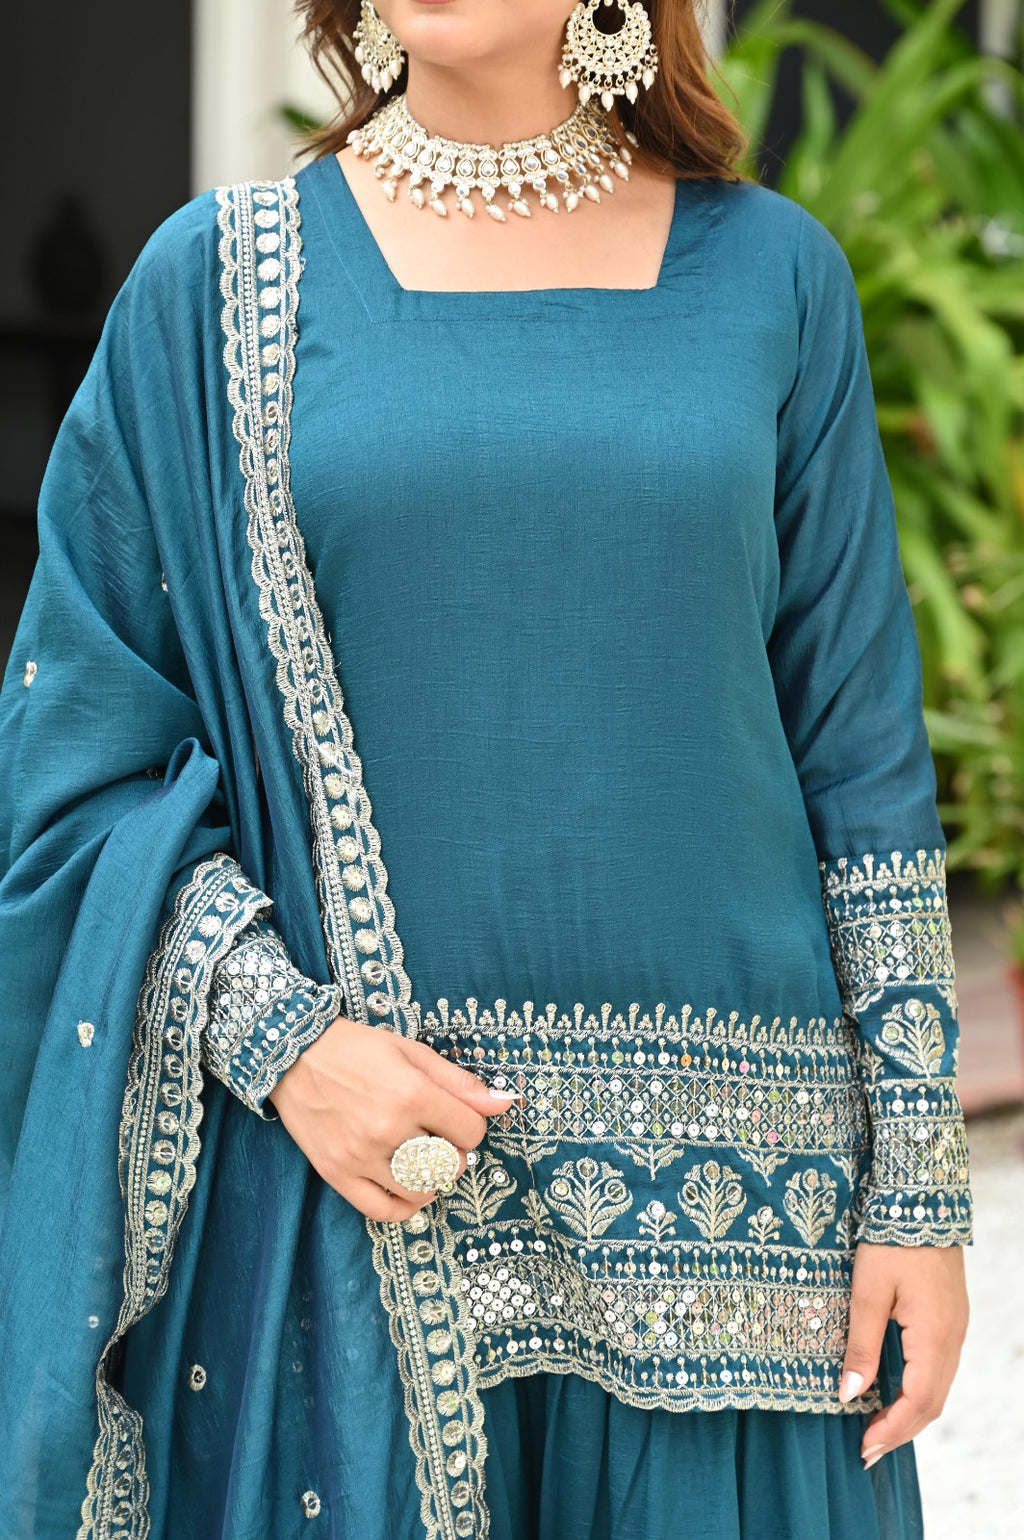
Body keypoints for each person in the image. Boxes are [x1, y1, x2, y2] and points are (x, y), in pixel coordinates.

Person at [0, 2, 973, 1537]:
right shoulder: (221, 288)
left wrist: (916, 1189)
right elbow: (75, 764)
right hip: (351, 1224)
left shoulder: (776, 277)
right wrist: (289, 1049)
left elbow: (856, 760)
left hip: (739, 1251)